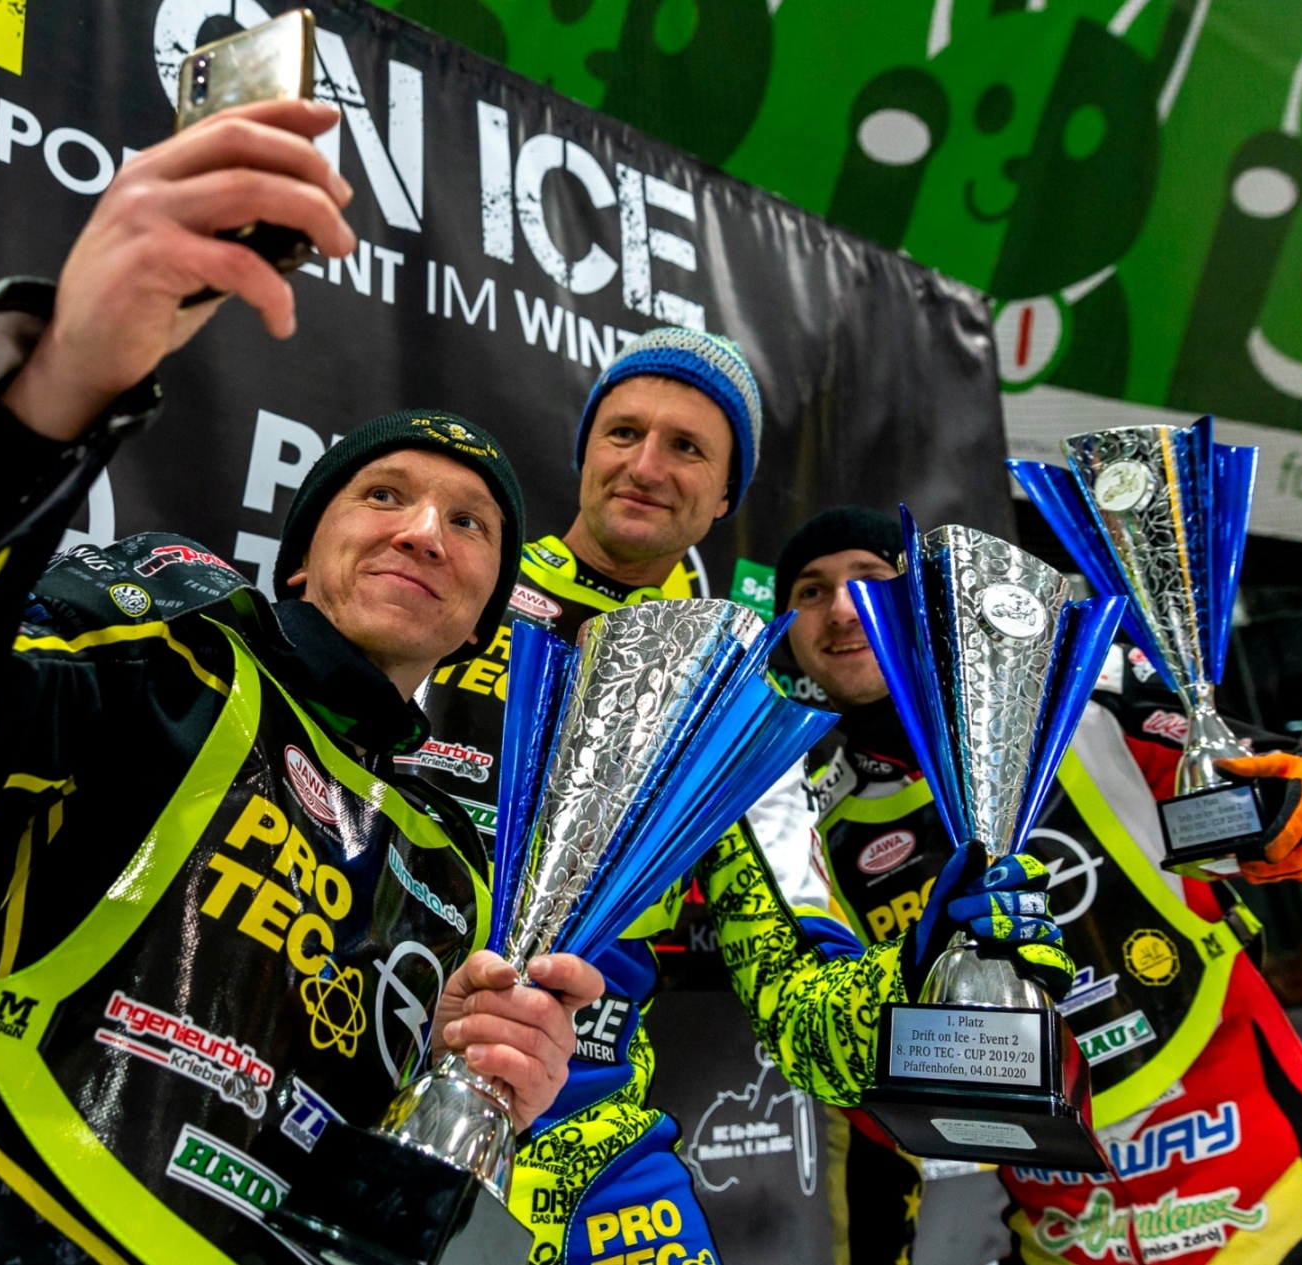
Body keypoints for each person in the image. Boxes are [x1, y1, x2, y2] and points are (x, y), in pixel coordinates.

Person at [0, 96, 605, 1265]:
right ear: (297, 557)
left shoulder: (449, 863)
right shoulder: (172, 650)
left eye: (470, 524)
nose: (422, 532)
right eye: (382, 494)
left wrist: (459, 1088)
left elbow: (342, 1209)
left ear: (481, 614)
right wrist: (51, 393)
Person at [415, 336, 1074, 1264]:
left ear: (725, 495)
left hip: (580, 1126)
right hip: (372, 1052)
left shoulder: (738, 701)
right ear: (584, 452)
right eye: (623, 433)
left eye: (687, 446)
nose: (646, 465)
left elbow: (804, 998)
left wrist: (928, 965)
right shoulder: (453, 577)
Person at [755, 505, 1302, 1265]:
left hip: (1269, 1202)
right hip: (1065, 1233)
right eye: (810, 592)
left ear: (922, 597)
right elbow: (855, 1094)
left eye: (870, 578)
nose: (842, 608)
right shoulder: (808, 819)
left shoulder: (1086, 705)